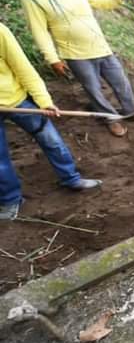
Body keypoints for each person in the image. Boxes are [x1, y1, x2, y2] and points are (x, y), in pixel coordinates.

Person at [21, 0, 134, 138]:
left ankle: (131, 111)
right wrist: (53, 59)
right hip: (75, 53)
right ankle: (111, 119)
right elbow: (40, 31)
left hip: (100, 46)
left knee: (121, 81)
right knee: (93, 89)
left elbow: (98, 1)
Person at [0, 22, 101, 220]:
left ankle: (71, 178)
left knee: (51, 139)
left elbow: (23, 68)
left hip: (16, 100)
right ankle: (10, 200)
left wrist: (44, 102)